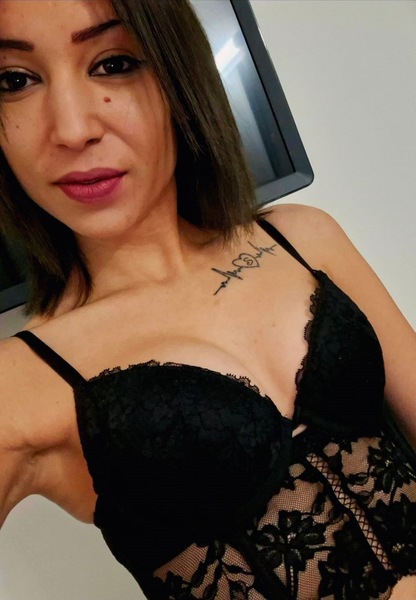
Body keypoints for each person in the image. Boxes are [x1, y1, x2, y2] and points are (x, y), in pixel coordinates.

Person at [0, 1, 415, 598]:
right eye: (14, 81)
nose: (71, 128)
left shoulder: (303, 237)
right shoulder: (22, 382)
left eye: (114, 63)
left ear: (179, 73)